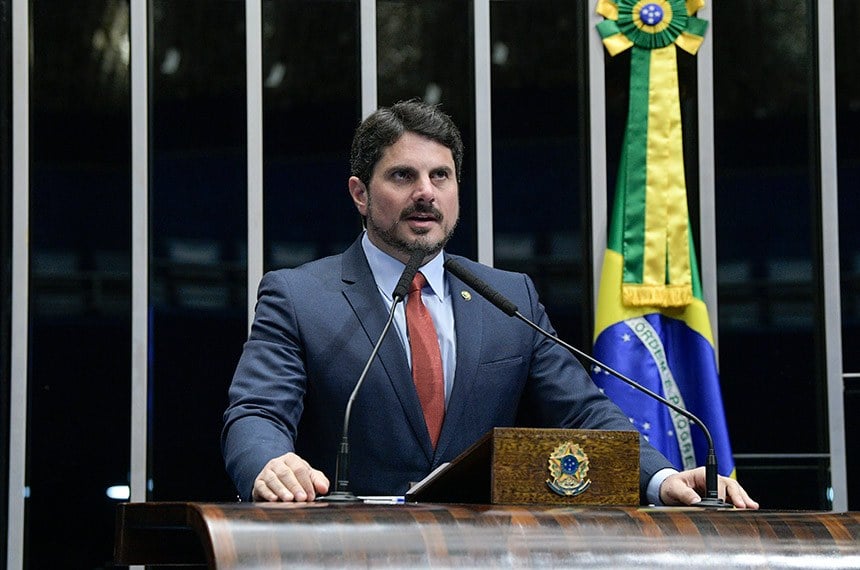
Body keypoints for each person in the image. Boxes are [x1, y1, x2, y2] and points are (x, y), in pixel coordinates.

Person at [222, 99, 758, 509]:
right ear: (360, 193)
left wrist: (662, 478)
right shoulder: (298, 296)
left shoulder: (507, 297)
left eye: (441, 176)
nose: (425, 193)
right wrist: (268, 461)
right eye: (402, 176)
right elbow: (255, 412)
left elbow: (584, 413)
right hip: (349, 550)